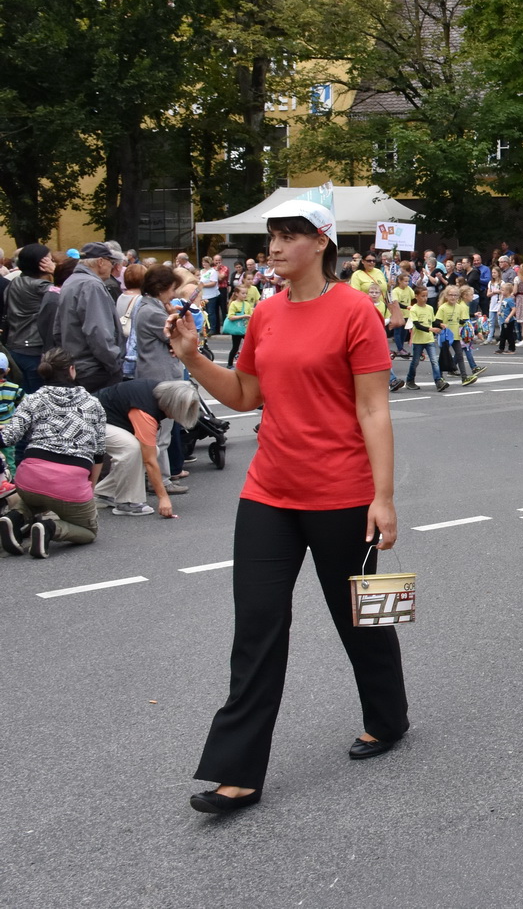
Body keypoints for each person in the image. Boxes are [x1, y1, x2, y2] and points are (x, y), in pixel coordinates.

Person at [171, 197, 406, 816]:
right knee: (256, 625)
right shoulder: (267, 313)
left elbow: (373, 409)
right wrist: (195, 359)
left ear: (321, 244)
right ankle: (237, 771)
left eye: (288, 236)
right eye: (271, 236)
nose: (273, 247)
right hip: (268, 491)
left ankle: (389, 715)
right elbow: (247, 394)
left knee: (362, 615)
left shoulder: (357, 311)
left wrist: (384, 498)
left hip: (343, 493)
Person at [0, 349, 109, 558]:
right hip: (70, 483)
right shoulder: (92, 404)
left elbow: (9, 437)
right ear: (71, 370)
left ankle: (14, 518)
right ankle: (50, 529)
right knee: (89, 531)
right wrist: (90, 488)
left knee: (36, 497)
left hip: (29, 478)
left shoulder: (33, 399)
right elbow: (98, 453)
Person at [92, 378, 200, 518]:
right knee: (131, 448)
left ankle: (104, 493)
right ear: (173, 405)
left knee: (151, 450)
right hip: (89, 421)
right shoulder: (145, 409)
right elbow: (149, 461)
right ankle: (127, 503)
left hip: (101, 417)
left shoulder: (159, 391)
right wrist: (163, 497)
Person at [56, 242, 123, 391]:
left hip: (77, 365)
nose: (112, 266)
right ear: (100, 262)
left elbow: (57, 329)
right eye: (111, 262)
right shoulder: (91, 285)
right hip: (95, 368)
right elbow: (98, 332)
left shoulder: (70, 282)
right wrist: (114, 363)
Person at [3, 244, 54, 392]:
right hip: (34, 348)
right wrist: (56, 272)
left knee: (19, 394)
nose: (53, 263)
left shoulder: (14, 283)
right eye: (50, 260)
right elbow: (68, 295)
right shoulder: (41, 286)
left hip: (14, 346)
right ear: (42, 264)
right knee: (35, 396)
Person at [403, 286, 448, 392]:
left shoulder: (430, 308)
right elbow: (417, 325)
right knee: (415, 361)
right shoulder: (414, 309)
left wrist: (440, 324)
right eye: (422, 296)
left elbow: (433, 321)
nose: (425, 298)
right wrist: (431, 329)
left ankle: (438, 381)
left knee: (434, 361)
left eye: (426, 296)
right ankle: (410, 380)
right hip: (418, 340)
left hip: (429, 339)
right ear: (416, 296)